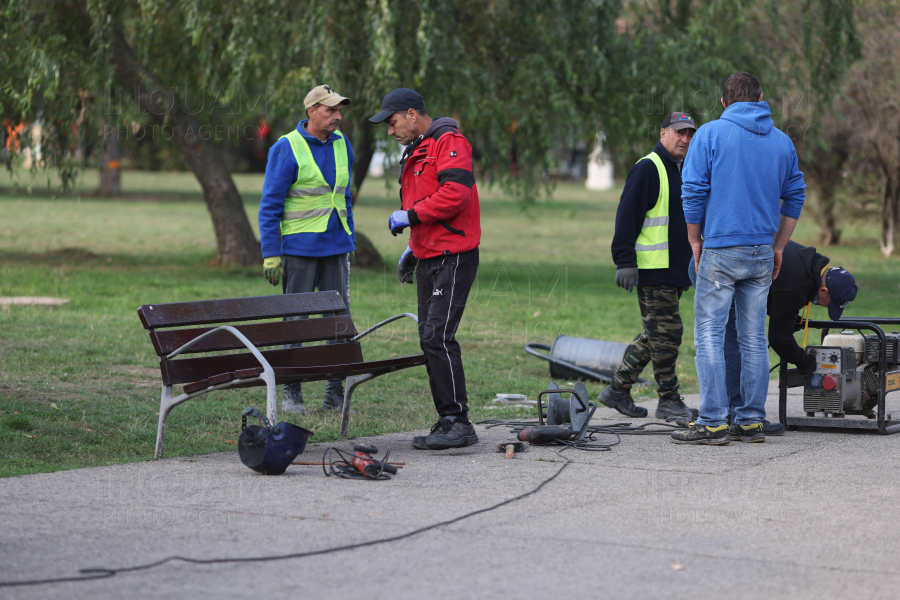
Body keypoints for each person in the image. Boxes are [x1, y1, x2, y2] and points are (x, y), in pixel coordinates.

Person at [673, 72, 806, 445]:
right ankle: (749, 420)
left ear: (723, 103)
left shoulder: (711, 134)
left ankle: (713, 420)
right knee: (753, 339)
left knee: (711, 336)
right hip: (762, 252)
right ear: (761, 98)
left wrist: (694, 239)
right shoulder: (782, 142)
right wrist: (779, 246)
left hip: (720, 250)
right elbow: (795, 194)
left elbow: (694, 189)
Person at [369, 88, 482, 450]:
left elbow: (455, 194)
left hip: (454, 256)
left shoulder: (449, 141)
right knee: (428, 337)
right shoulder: (418, 148)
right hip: (429, 255)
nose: (391, 130)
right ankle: (448, 419)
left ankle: (458, 422)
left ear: (412, 114)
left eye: (393, 121)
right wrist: (412, 247)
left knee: (438, 335)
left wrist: (410, 216)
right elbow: (423, 197)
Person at [684, 242, 858, 436]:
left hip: (726, 259)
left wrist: (785, 316)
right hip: (719, 267)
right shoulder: (798, 283)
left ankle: (741, 415)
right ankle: (736, 415)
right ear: (823, 290)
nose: (826, 307)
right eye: (830, 304)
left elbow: (774, 296)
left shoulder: (812, 265)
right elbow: (779, 338)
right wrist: (804, 362)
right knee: (735, 343)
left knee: (744, 339)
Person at [258, 84, 355, 415]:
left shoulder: (344, 145)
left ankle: (334, 392)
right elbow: (269, 204)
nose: (337, 116)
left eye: (339, 110)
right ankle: (292, 391)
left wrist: (349, 237)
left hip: (336, 247)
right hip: (299, 248)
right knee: (297, 320)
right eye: (330, 110)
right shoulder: (287, 147)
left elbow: (344, 197)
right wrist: (271, 253)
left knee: (338, 321)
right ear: (311, 111)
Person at [599, 112, 698, 421]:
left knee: (654, 334)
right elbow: (626, 216)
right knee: (668, 334)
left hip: (673, 272)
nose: (685, 138)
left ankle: (617, 390)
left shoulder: (679, 169)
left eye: (690, 134)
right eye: (679, 132)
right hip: (653, 271)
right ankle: (669, 399)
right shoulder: (648, 168)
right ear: (663, 133)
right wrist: (625, 261)